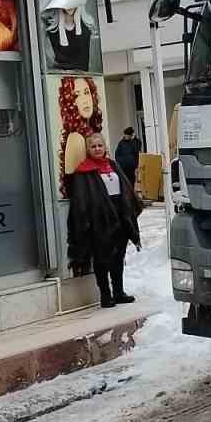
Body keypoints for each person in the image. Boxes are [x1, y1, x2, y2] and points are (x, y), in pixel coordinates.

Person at [67, 131, 141, 309]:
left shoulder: (113, 165)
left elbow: (125, 188)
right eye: (93, 146)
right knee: (102, 258)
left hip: (120, 217)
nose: (97, 149)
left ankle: (119, 292)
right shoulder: (84, 171)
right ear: (88, 149)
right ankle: (105, 295)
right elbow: (81, 199)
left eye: (100, 145)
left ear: (105, 146)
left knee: (119, 257)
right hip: (100, 220)